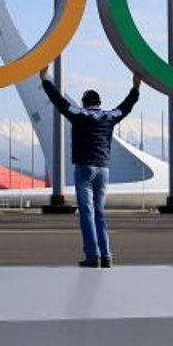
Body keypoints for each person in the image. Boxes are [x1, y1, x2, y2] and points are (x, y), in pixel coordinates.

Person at [40, 67, 140, 268]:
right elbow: (126, 106)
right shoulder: (110, 116)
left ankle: (92, 256)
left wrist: (45, 80)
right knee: (100, 213)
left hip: (84, 168)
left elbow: (59, 102)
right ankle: (106, 255)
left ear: (85, 102)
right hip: (103, 169)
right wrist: (136, 87)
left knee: (87, 213)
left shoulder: (79, 114)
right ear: (99, 103)